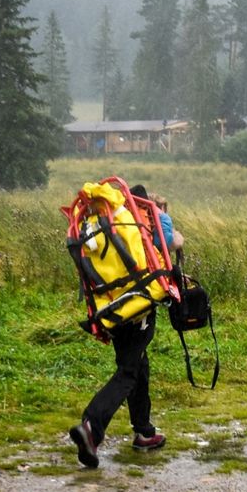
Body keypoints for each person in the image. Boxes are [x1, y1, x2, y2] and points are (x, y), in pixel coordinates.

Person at [69, 183, 183, 468]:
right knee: (129, 371)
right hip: (138, 306)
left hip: (111, 306)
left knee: (138, 364)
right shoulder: (141, 221)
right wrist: (176, 241)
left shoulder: (105, 222)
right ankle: (91, 427)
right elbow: (165, 245)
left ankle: (143, 431)